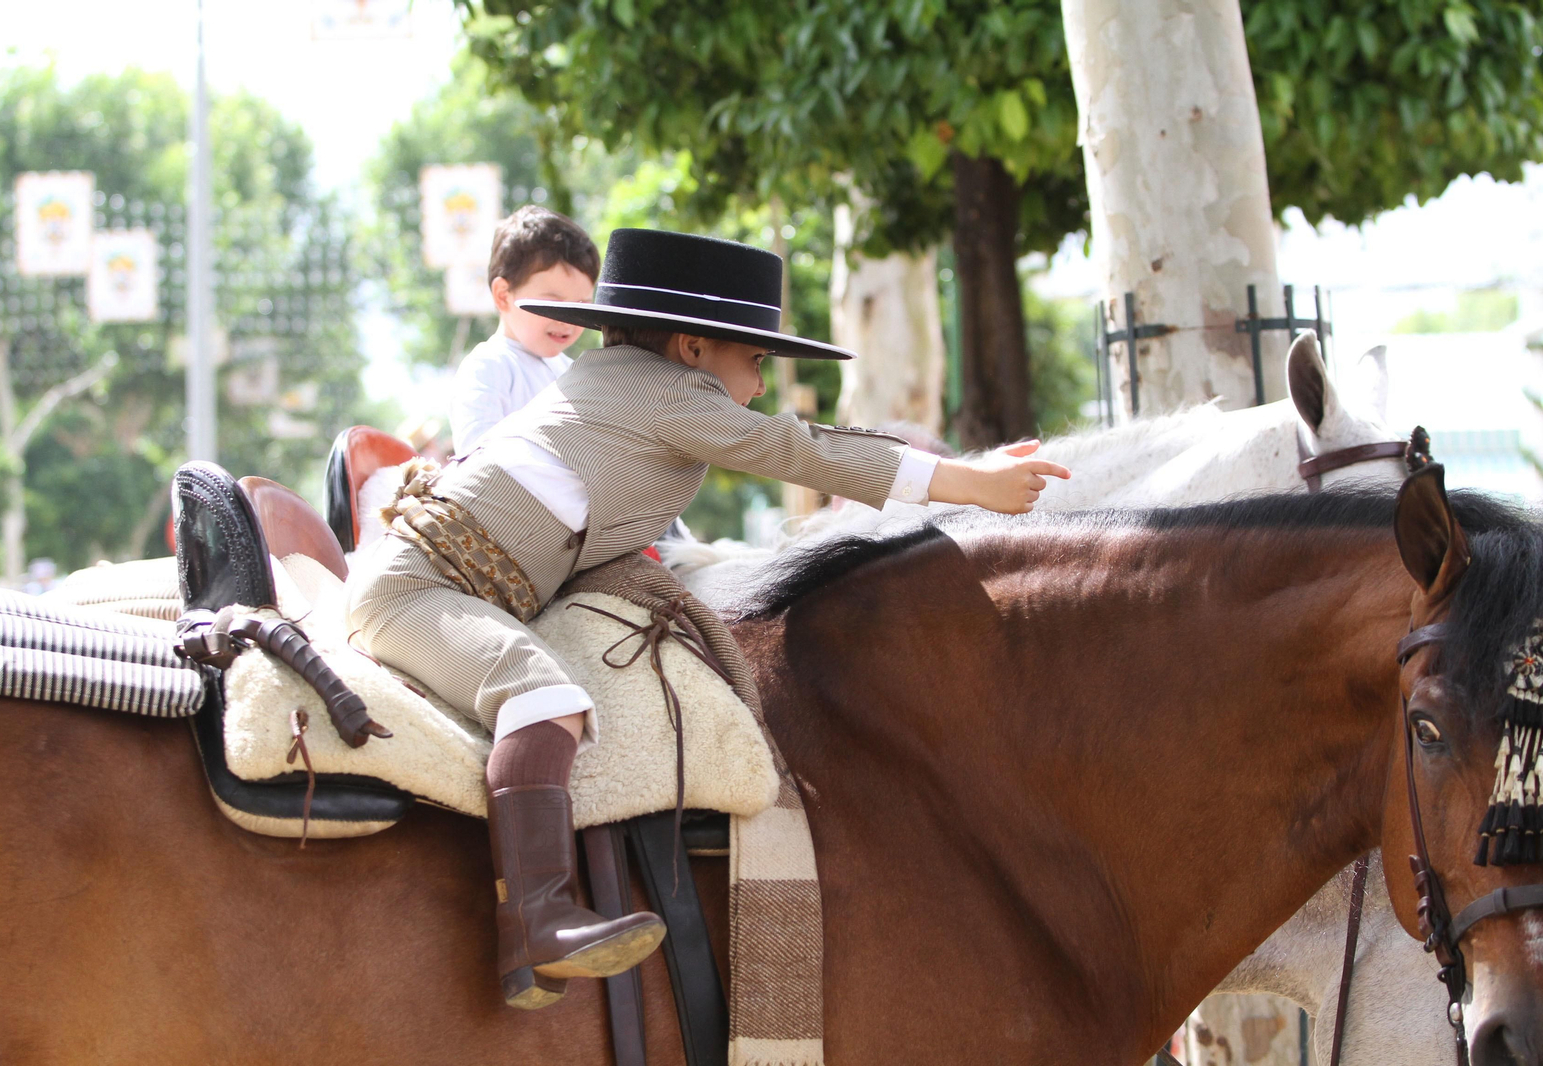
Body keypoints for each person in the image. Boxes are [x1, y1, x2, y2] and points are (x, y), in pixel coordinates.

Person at [345, 229, 1071, 1010]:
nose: (758, 385)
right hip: (417, 592)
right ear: (691, 348)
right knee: (544, 695)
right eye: (754, 361)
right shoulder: (660, 392)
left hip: (457, 586)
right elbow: (797, 449)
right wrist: (969, 482)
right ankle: (536, 918)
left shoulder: (614, 383)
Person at [449, 206, 600, 455]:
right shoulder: (488, 366)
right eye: (554, 303)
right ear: (503, 296)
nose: (568, 320)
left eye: (581, 305)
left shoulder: (573, 372)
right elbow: (475, 464)